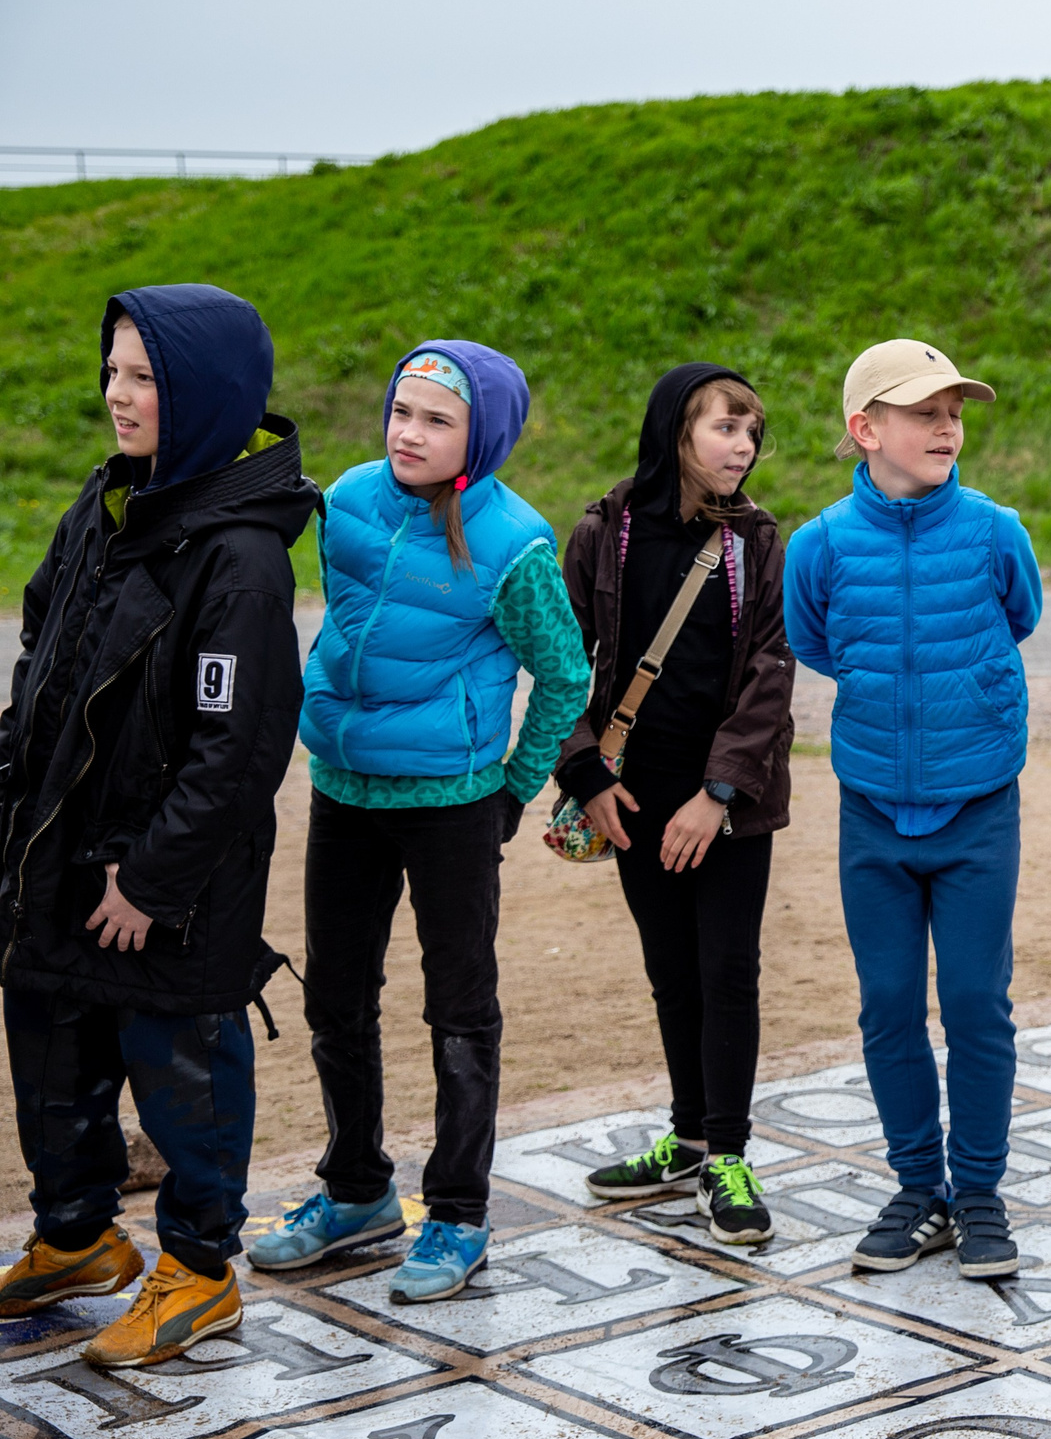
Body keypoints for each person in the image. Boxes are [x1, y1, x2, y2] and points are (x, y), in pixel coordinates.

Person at [0, 286, 318, 1368]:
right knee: (52, 1061)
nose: (117, 396)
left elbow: (237, 753)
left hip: (162, 889)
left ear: (205, 395)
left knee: (180, 1075)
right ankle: (79, 1240)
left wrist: (152, 881)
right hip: (55, 861)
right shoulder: (103, 503)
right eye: (112, 372)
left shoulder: (240, 556)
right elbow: (40, 666)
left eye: (144, 378)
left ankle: (198, 1271)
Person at [248, 342, 588, 1303]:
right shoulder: (348, 501)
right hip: (344, 789)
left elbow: (564, 673)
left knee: (459, 1010)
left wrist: (514, 788)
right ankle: (356, 1190)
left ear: (481, 437)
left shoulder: (514, 541)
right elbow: (345, 624)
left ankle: (458, 1213)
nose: (409, 432)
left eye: (437, 420)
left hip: (453, 804)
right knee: (335, 999)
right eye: (401, 410)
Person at [784, 339, 1040, 1281]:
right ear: (865, 429)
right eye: (922, 411)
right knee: (889, 1006)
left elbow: (1020, 613)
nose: (946, 427)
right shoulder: (815, 545)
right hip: (873, 811)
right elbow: (816, 639)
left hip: (978, 805)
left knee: (977, 1004)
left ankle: (977, 1191)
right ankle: (917, 1188)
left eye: (954, 412)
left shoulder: (993, 528)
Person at [556, 365, 794, 1244]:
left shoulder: (760, 539)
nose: (744, 447)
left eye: (752, 433)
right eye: (726, 427)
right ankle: (688, 1139)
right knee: (671, 968)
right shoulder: (603, 531)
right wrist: (585, 774)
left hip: (730, 800)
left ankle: (728, 1153)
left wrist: (718, 791)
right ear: (674, 432)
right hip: (631, 793)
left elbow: (773, 669)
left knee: (728, 969)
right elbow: (558, 661)